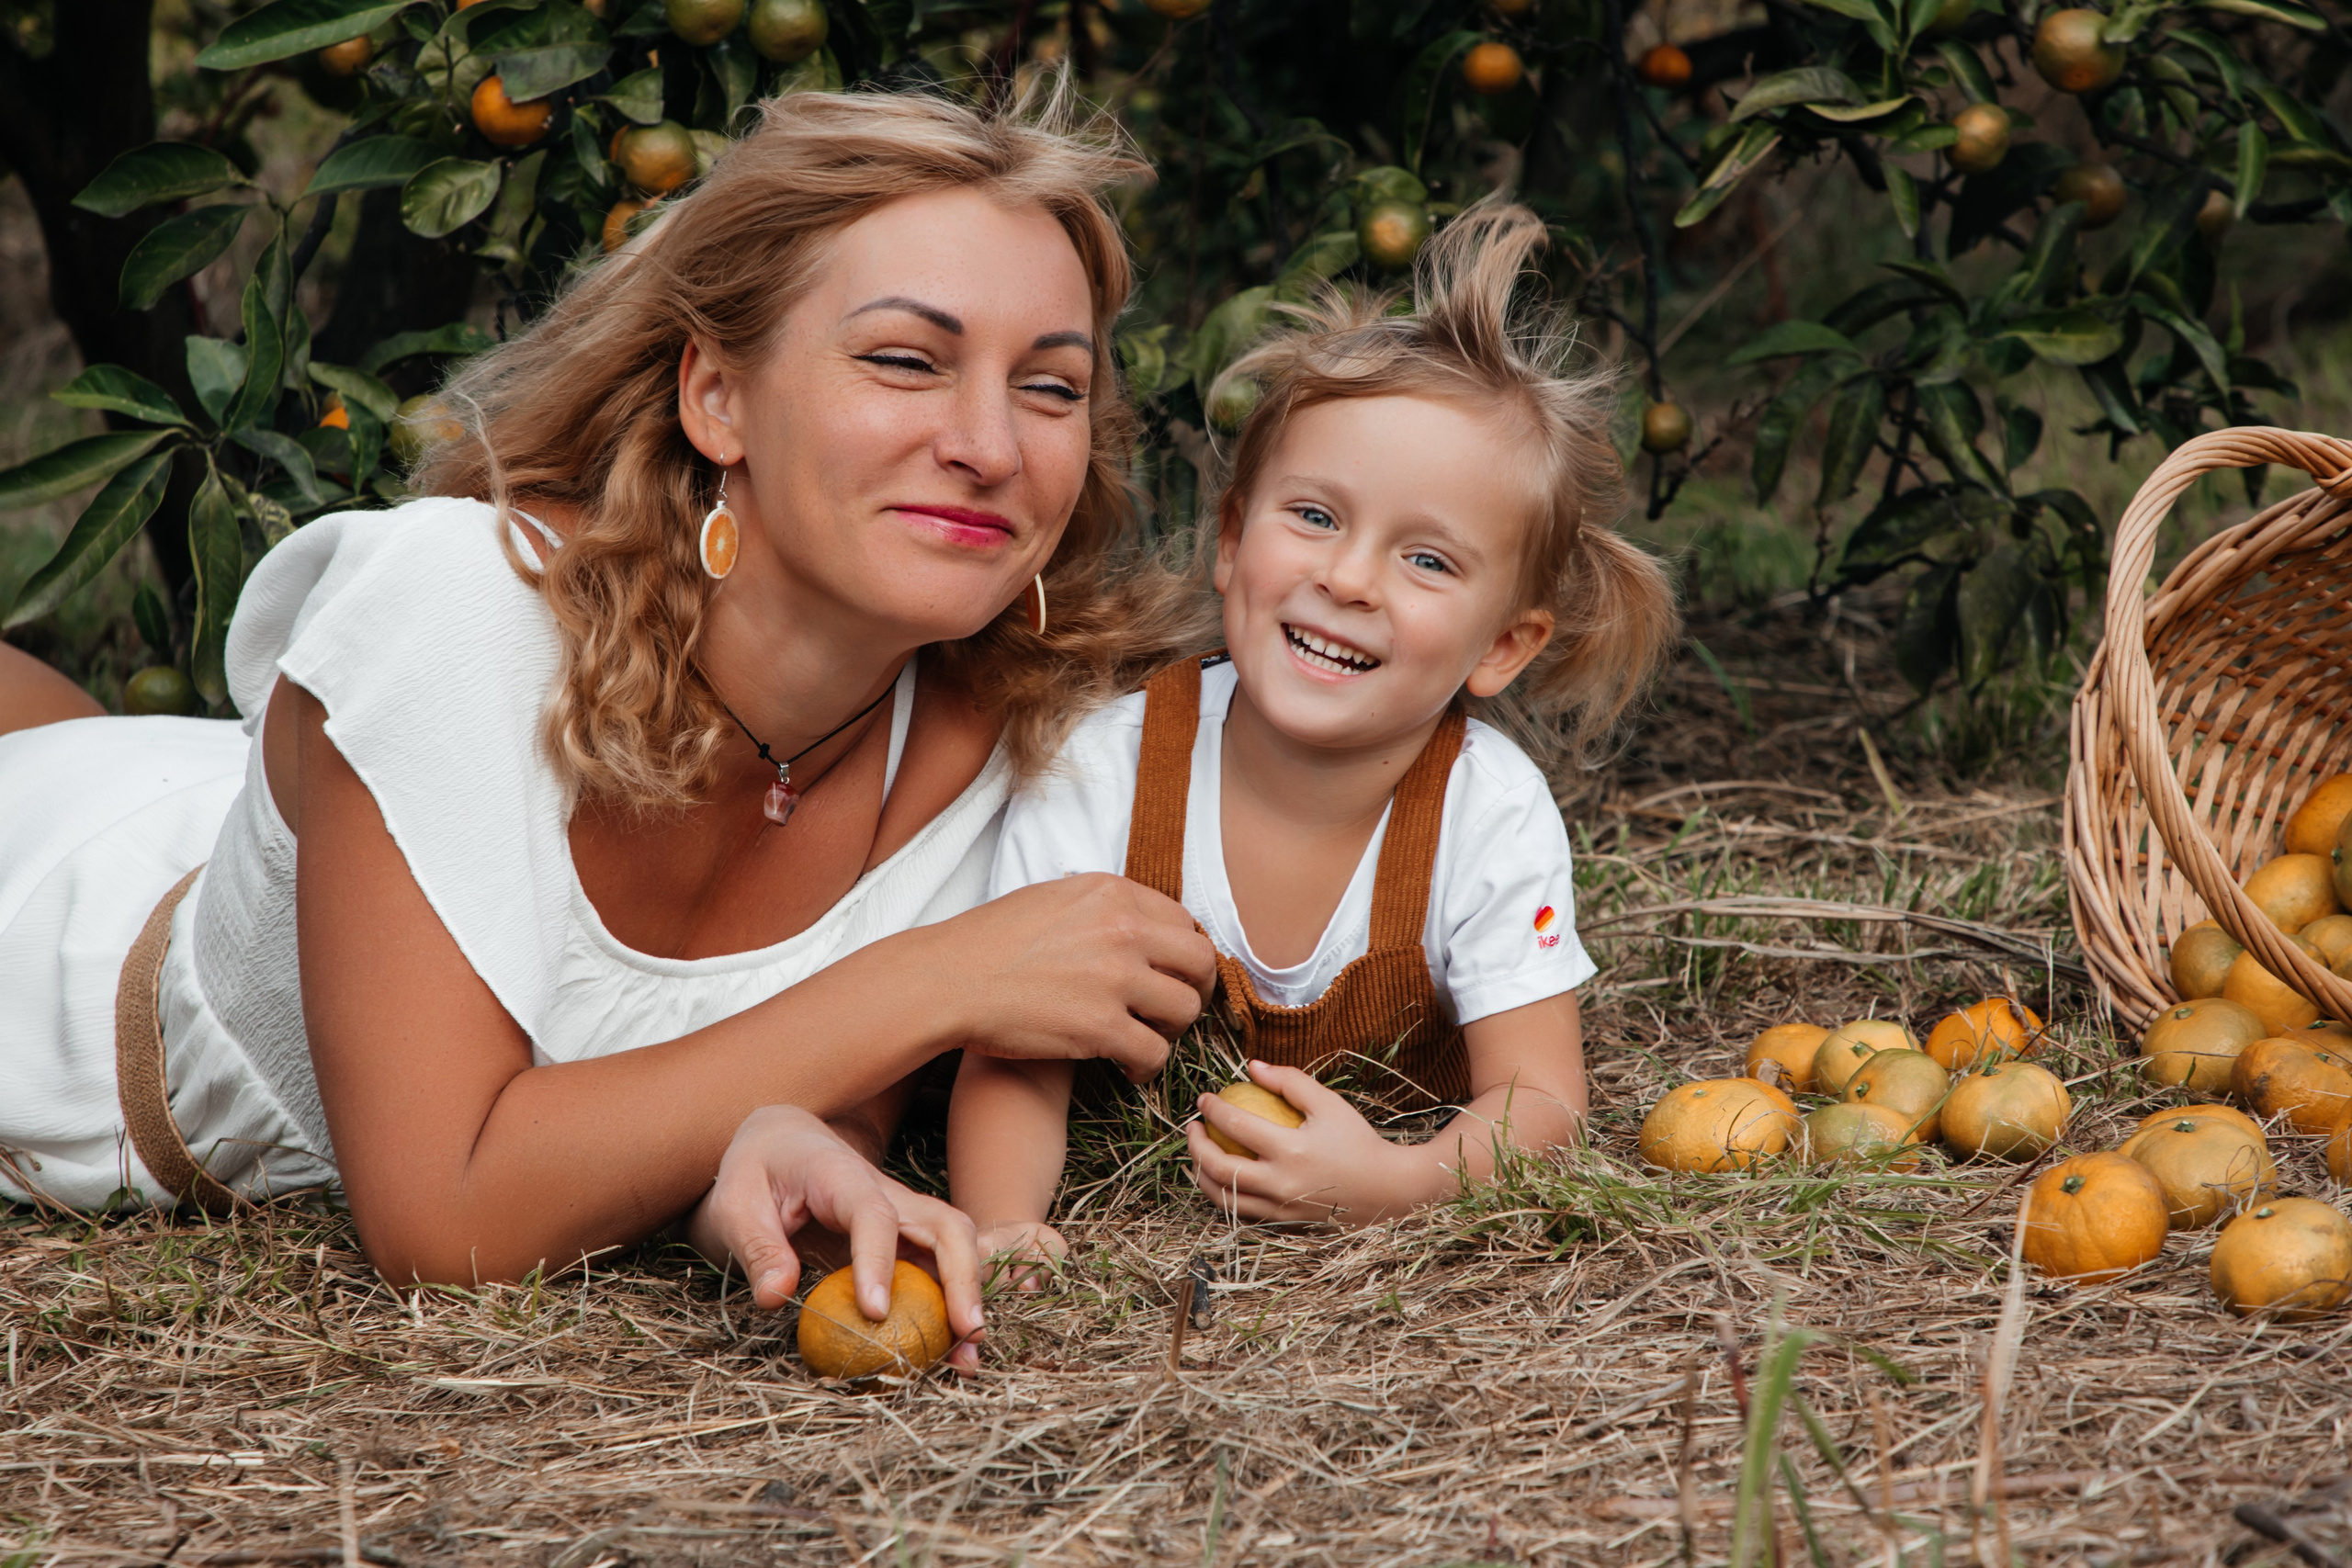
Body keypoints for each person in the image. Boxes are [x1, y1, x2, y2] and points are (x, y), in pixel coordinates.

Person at [0, 83, 1221, 1369]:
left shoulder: (1010, 746)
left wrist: (777, 1148)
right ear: (719, 400)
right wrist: (948, 975)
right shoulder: (464, 608)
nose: (989, 444)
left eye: (1051, 386)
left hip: (245, 813)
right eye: (905, 359)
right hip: (55, 919)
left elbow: (743, 1087)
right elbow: (444, 1215)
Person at [945, 203, 1679, 1258]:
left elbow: (1536, 1100)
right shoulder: (1102, 770)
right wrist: (1002, 1222)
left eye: (1426, 561)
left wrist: (1393, 1181)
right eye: (1317, 517)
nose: (1345, 578)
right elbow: (1014, 1052)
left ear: (1501, 647)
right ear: (1234, 540)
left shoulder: (1485, 811)